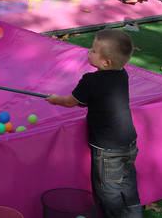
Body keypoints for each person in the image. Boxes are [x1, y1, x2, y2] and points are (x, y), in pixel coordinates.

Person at [46, 29, 142, 218]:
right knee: (128, 184)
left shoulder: (90, 81)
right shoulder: (122, 75)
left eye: (94, 51)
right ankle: (134, 215)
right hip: (129, 143)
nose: (88, 52)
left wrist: (56, 99)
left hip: (107, 150)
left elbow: (70, 102)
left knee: (108, 192)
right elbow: (101, 97)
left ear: (106, 62)